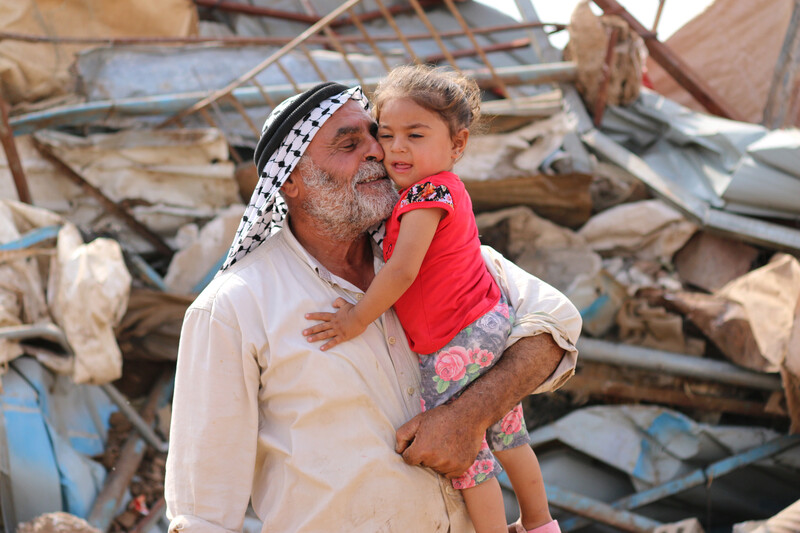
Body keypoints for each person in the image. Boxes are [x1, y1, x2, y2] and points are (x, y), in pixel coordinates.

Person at [164, 81, 581, 533]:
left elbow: (555, 328)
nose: (379, 152)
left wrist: (468, 414)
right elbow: (202, 513)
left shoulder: (435, 248)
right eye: (349, 144)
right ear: (290, 181)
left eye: (375, 135)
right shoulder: (234, 308)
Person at [302, 66, 557, 533]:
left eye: (415, 135)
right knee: (508, 434)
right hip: (482, 324)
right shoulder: (427, 194)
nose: (397, 148)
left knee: (466, 454)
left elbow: (402, 270)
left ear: (457, 145)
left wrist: (357, 319)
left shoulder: (428, 192)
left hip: (455, 336)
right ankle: (539, 523)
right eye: (388, 134)